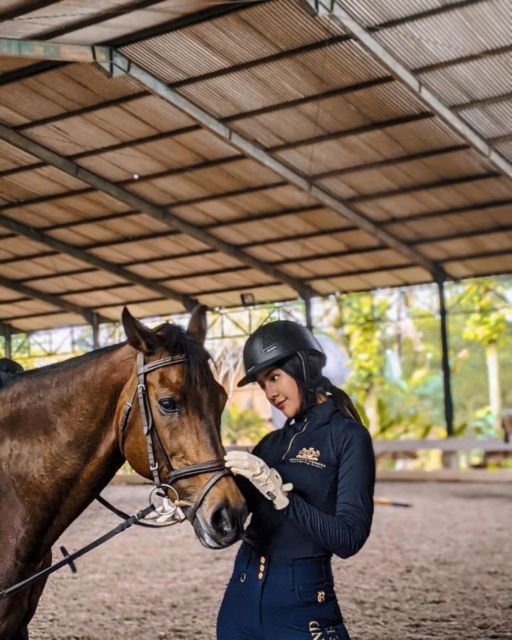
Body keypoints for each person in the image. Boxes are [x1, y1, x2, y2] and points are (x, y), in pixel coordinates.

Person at [217, 320, 375, 640]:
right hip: (240, 596)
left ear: (303, 367)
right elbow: (228, 515)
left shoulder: (348, 438)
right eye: (263, 384)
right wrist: (186, 498)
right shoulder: (269, 444)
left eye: (274, 377)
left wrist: (283, 500)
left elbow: (349, 539)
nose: (270, 393)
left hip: (302, 605)